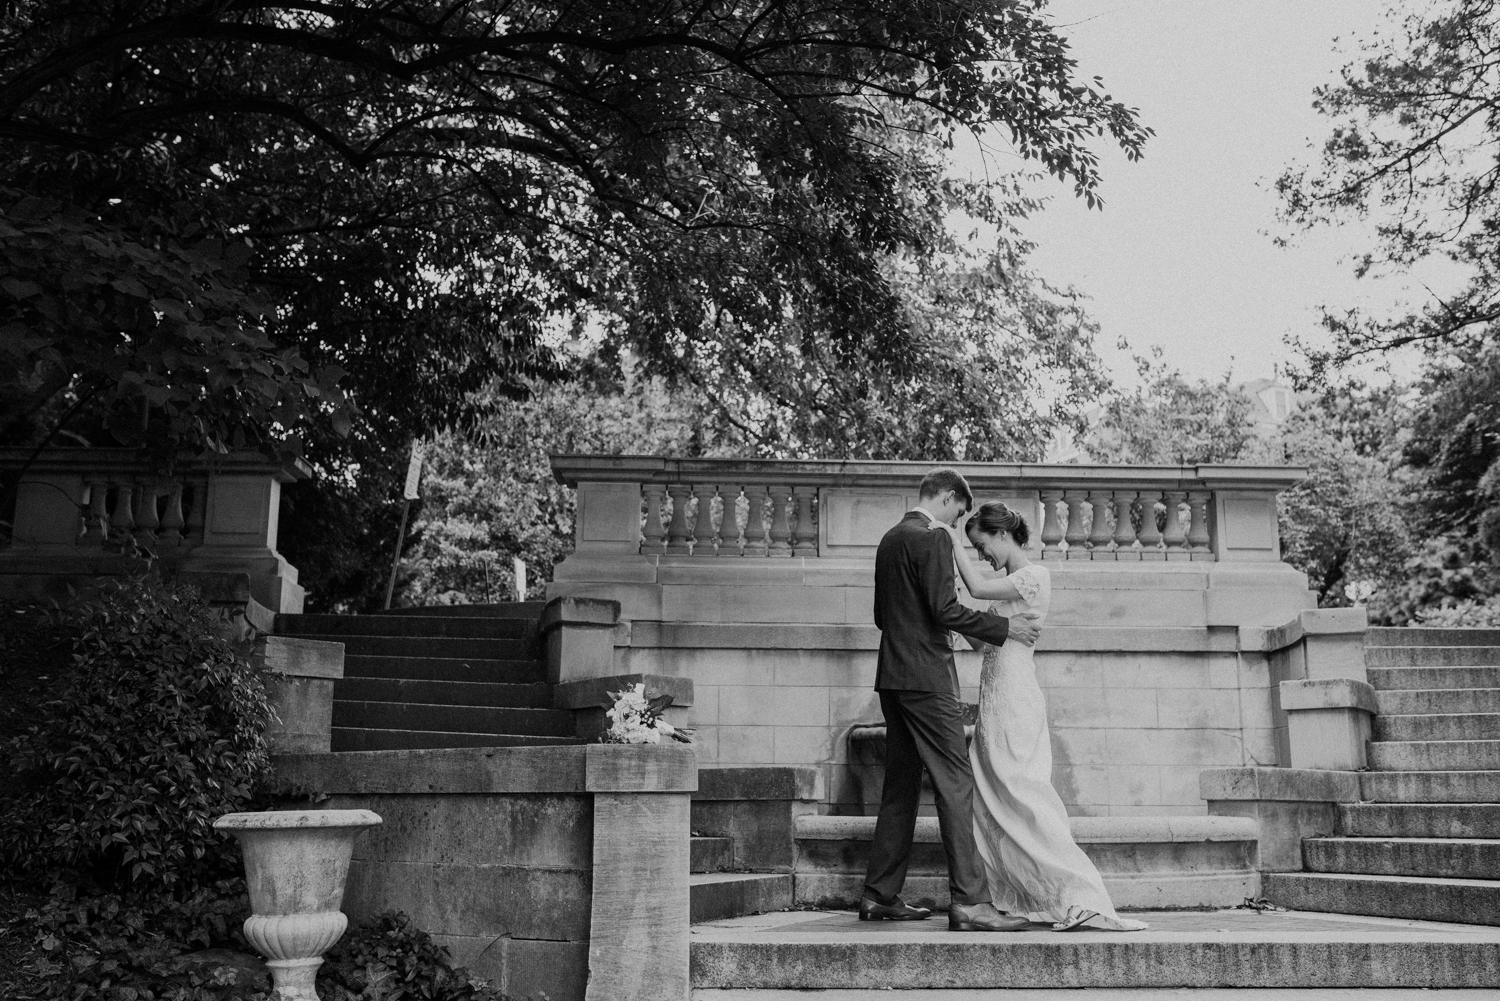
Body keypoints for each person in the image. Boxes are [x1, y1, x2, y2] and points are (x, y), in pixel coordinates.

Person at [933, 501, 1147, 932]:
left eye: (981, 545)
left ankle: (1080, 894)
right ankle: (1019, 892)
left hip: (1016, 700)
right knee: (992, 800)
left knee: (1026, 796)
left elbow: (974, 587)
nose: (981, 555)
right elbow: (983, 643)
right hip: (993, 699)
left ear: (1002, 534)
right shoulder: (1006, 586)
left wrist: (949, 539)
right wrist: (950, 621)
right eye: (972, 547)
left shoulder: (1033, 577)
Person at [862, 469, 1042, 931]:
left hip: (892, 677)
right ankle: (970, 902)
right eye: (959, 509)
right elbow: (945, 609)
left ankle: (879, 895)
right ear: (947, 497)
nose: (958, 518)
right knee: (955, 782)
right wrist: (1004, 629)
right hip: (926, 679)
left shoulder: (889, 538)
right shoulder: (933, 537)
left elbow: (883, 616)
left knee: (900, 786)